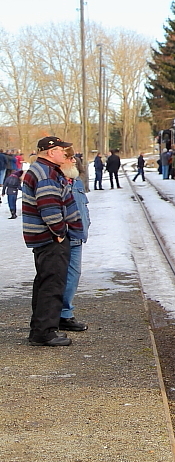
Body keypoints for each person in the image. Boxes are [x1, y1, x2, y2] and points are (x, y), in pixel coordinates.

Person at [22, 135, 83, 346]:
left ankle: (40, 329)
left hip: (44, 238)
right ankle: (45, 333)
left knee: (45, 282)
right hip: (50, 239)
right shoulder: (46, 174)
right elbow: (49, 207)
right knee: (52, 284)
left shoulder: (42, 170)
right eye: (62, 150)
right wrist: (59, 231)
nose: (66, 154)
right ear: (51, 152)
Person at [59, 151, 90, 332]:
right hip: (63, 236)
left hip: (77, 235)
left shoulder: (76, 181)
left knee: (73, 275)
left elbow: (82, 207)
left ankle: (64, 312)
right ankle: (63, 314)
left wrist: (87, 224)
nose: (74, 161)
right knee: (61, 276)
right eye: (70, 158)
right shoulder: (56, 182)